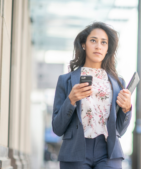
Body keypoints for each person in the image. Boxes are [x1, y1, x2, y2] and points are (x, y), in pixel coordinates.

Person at [52, 22, 132, 169]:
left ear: (108, 48)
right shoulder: (66, 81)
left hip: (108, 152)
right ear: (84, 44)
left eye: (103, 42)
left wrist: (127, 109)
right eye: (93, 40)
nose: (98, 46)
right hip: (75, 151)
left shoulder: (117, 82)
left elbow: (120, 129)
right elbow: (57, 128)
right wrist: (71, 100)